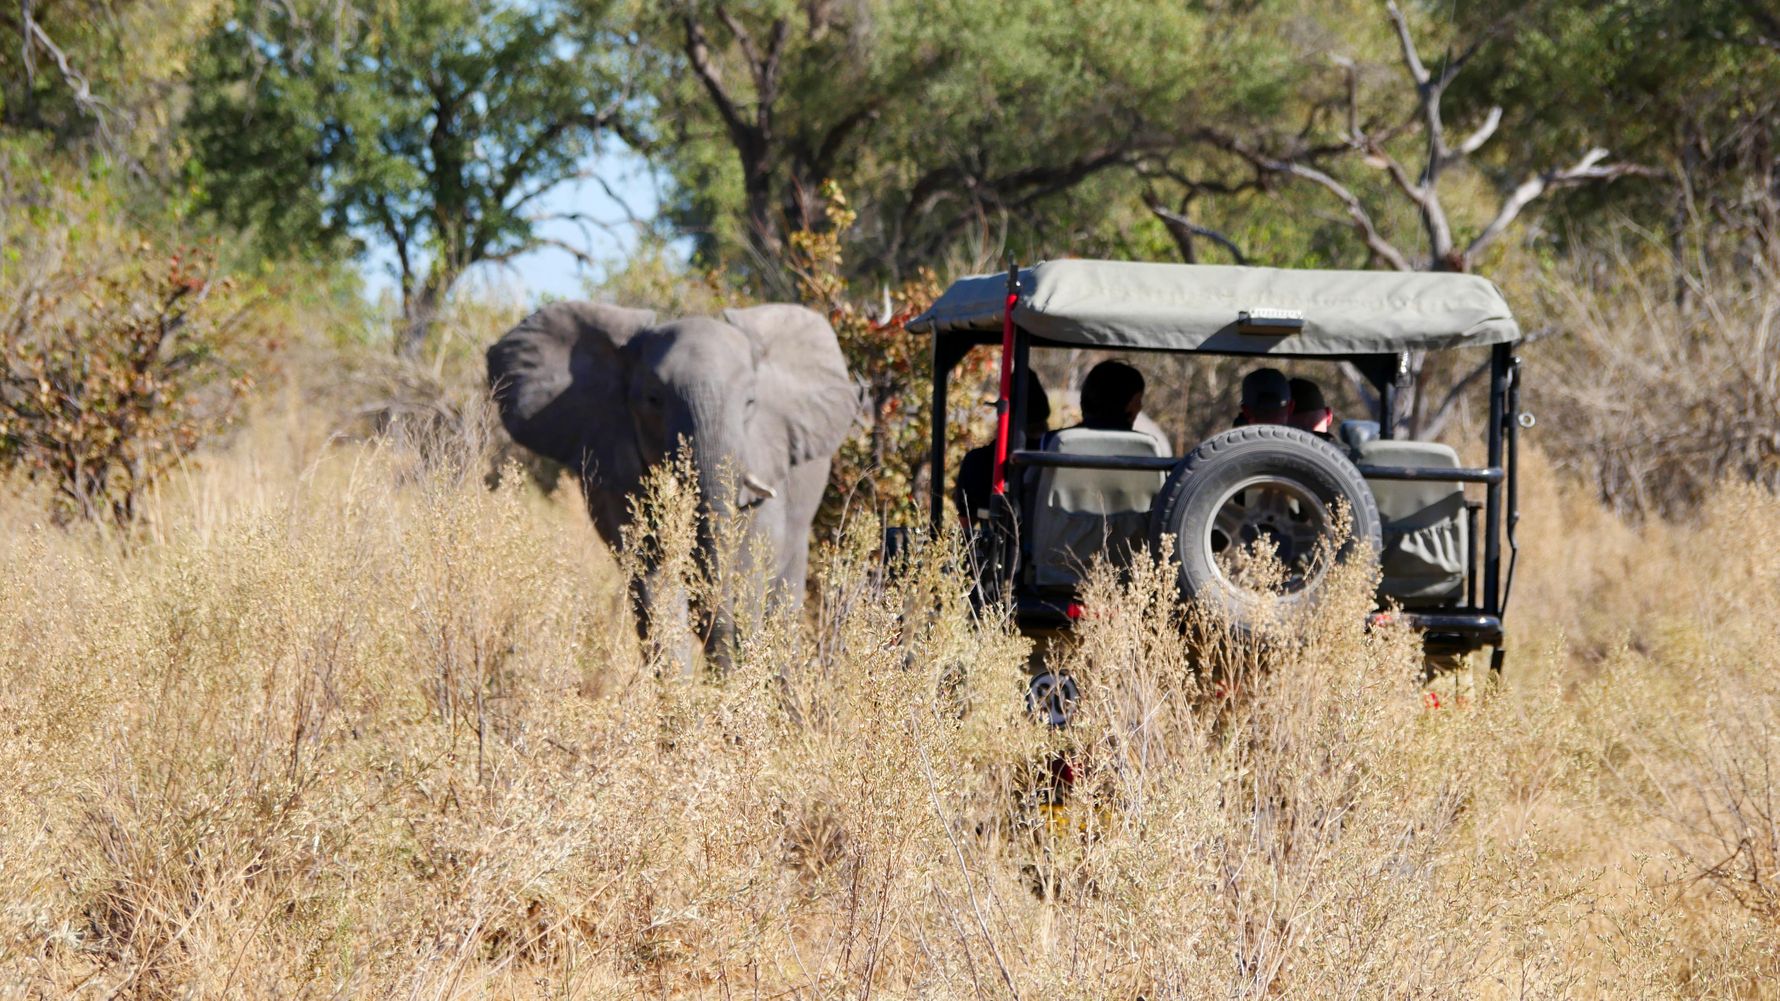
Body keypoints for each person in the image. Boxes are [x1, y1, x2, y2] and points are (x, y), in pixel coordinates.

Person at [955, 370, 1051, 526]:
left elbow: (966, 529)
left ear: (1004, 414)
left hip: (1001, 548)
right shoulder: (1058, 456)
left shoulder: (979, 462)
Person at [1073, 359, 1145, 431]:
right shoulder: (1143, 441)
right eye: (1138, 400)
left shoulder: (1064, 438)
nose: (1140, 407)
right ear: (1128, 405)